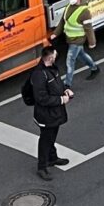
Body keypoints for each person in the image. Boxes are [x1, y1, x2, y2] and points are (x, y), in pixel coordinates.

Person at [29, 46, 71, 181]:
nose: (57, 57)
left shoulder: (51, 69)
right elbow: (41, 98)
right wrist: (61, 99)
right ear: (51, 57)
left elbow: (57, 84)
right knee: (46, 139)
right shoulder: (39, 75)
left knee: (51, 136)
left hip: (54, 112)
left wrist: (65, 90)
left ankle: (52, 158)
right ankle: (42, 167)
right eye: (55, 55)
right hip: (45, 114)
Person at [53, 0, 99, 87]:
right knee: (81, 55)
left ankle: (67, 84)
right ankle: (94, 68)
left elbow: (89, 29)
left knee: (70, 61)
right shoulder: (69, 6)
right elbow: (62, 21)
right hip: (70, 38)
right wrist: (55, 33)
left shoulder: (84, 11)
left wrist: (92, 42)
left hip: (78, 40)